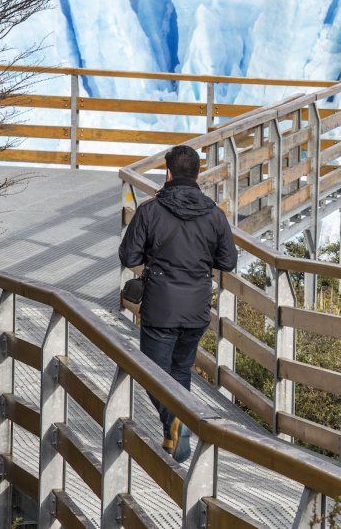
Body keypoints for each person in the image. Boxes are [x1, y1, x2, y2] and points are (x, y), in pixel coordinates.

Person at [118, 145, 237, 463]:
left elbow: (128, 256)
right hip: (197, 307)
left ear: (168, 173)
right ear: (198, 174)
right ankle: (174, 433)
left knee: (153, 374)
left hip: (161, 306)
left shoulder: (150, 210)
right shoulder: (214, 213)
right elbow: (228, 260)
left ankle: (175, 425)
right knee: (180, 370)